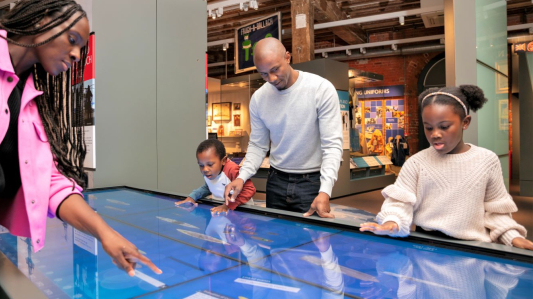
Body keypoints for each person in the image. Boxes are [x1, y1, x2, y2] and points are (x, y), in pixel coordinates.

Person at [0, 0, 160, 299]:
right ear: (43, 21)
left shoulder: (32, 104)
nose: (75, 53)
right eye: (72, 39)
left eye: (80, 47)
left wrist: (105, 234)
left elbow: (51, 184)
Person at [360, 85, 533, 250]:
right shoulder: (416, 163)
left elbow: (496, 210)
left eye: (444, 127)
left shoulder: (487, 160)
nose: (435, 134)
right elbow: (399, 203)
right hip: (426, 249)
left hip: (474, 252)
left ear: (465, 122)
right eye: (428, 128)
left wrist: (512, 237)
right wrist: (393, 222)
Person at [223, 38, 343, 218]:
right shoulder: (259, 98)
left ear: (288, 57)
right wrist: (242, 177)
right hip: (276, 181)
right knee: (276, 242)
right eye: (263, 74)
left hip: (311, 183)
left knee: (309, 243)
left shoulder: (321, 89)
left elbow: (332, 146)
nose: (271, 79)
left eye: (274, 69)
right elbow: (257, 145)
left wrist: (325, 191)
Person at [175, 139, 255, 214]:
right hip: (222, 209)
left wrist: (227, 206)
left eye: (210, 164)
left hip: (243, 211)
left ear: (223, 161)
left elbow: (249, 189)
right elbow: (208, 187)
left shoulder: (231, 169)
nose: (205, 169)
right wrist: (192, 197)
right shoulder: (209, 172)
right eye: (201, 165)